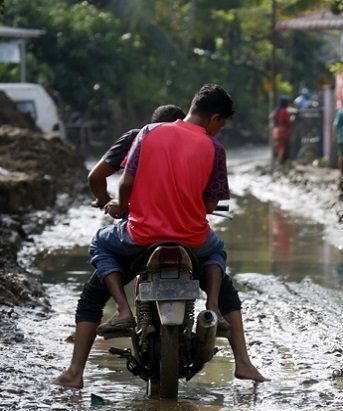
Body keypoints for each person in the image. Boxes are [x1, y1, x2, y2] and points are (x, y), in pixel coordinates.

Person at [53, 103, 268, 389]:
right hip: (188, 237)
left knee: (95, 285)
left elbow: (108, 180)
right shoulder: (204, 145)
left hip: (141, 234)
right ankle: (240, 356)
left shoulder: (142, 136)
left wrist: (115, 205)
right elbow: (209, 202)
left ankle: (80, 365)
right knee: (221, 271)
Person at [270, 95, 292, 163]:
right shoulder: (284, 111)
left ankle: (275, 161)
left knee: (277, 146)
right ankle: (280, 162)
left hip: (276, 131)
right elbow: (288, 121)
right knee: (282, 148)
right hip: (283, 131)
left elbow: (271, 117)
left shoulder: (276, 110)